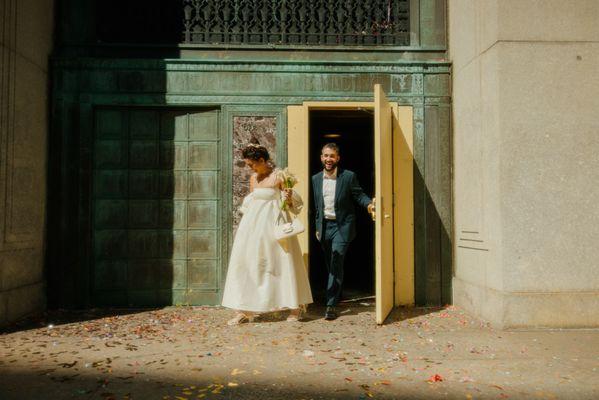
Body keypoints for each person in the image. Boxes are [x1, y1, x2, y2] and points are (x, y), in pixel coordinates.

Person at [222, 143, 313, 325]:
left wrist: (287, 198)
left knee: (282, 263)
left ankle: (294, 308)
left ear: (262, 160)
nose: (250, 168)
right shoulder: (254, 179)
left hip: (274, 226)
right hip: (253, 227)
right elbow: (251, 204)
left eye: (252, 164)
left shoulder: (279, 176)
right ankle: (245, 309)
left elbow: (291, 205)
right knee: (250, 264)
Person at [311, 143, 374, 320]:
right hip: (324, 227)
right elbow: (316, 206)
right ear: (321, 157)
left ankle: (330, 305)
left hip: (342, 227)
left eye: (332, 156)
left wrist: (369, 204)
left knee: (336, 259)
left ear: (338, 158)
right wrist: (317, 227)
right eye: (325, 156)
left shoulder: (348, 176)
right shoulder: (315, 179)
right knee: (331, 264)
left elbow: (358, 195)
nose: (328, 159)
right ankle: (337, 293)